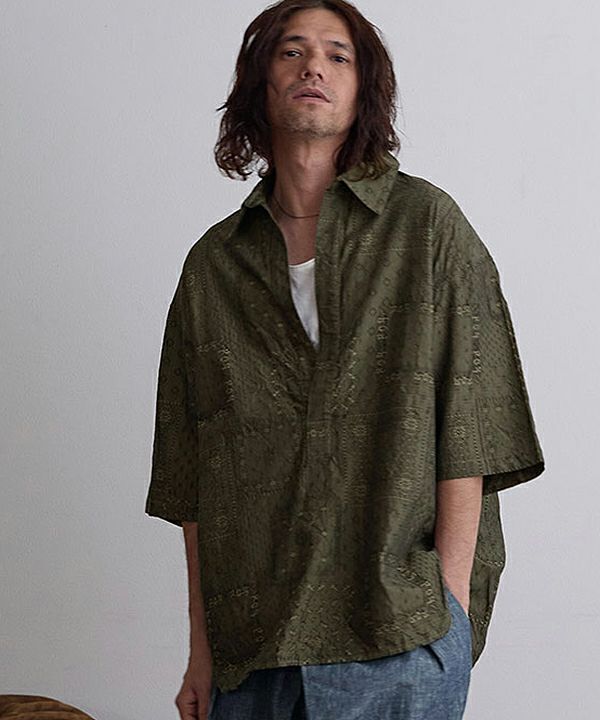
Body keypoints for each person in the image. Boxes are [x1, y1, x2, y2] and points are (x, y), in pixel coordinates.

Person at [144, 1, 545, 718]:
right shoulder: (214, 267)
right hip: (252, 654)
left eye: (338, 55)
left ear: (365, 88)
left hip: (397, 636)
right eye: (291, 51)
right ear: (260, 81)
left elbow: (473, 424)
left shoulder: (426, 228)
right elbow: (194, 479)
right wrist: (201, 651)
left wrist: (448, 614)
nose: (314, 68)